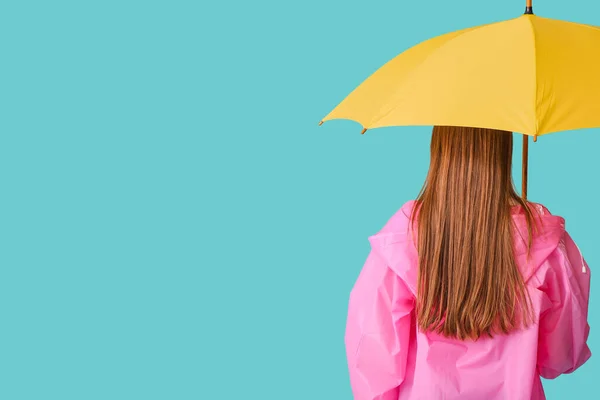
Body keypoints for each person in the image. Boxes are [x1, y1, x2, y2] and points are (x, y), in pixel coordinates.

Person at [344, 125, 592, 400]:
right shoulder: (546, 242)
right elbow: (561, 357)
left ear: (439, 148)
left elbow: (373, 365)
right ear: (504, 150)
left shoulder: (405, 236)